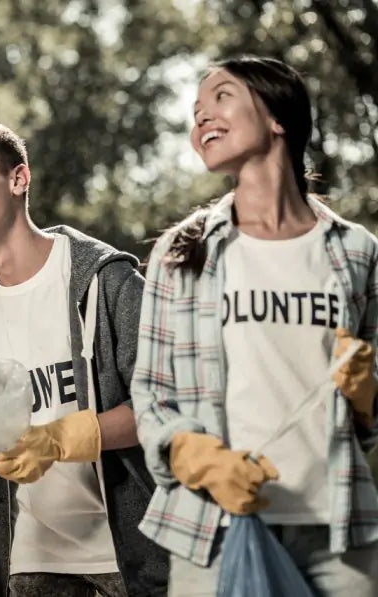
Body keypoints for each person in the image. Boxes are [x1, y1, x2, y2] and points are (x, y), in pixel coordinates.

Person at [132, 55, 378, 596]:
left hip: (339, 530)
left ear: (278, 118)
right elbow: (151, 394)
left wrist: (368, 396)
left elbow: (369, 418)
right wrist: (189, 454)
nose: (201, 118)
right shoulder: (182, 251)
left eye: (220, 98)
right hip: (214, 528)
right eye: (195, 111)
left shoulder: (356, 252)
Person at [0, 119, 168, 597]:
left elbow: (163, 407)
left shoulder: (106, 282)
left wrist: (60, 438)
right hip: (32, 558)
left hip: (131, 550)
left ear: (18, 179)